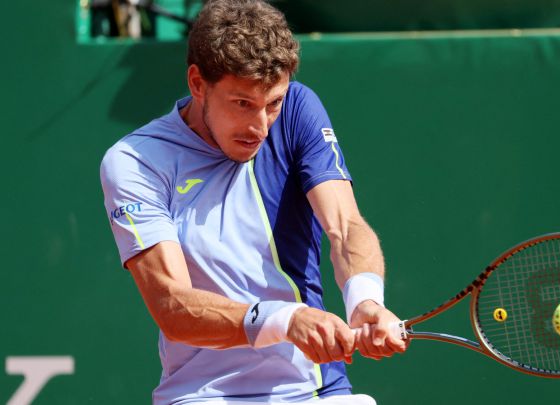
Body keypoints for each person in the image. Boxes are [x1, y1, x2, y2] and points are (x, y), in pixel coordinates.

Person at [99, 0, 406, 404]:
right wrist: (286, 319)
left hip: (315, 392)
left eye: (272, 103)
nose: (260, 127)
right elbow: (172, 306)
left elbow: (345, 225)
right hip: (201, 396)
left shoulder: (298, 109)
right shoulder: (136, 161)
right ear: (197, 83)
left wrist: (366, 299)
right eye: (242, 103)